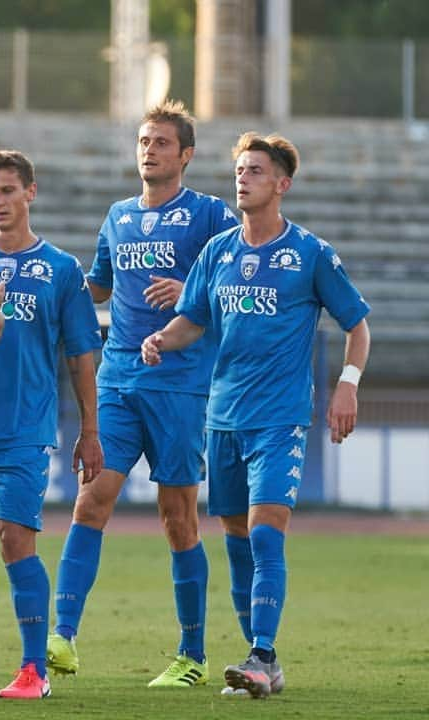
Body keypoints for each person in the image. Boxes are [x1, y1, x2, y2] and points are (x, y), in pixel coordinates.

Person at [141, 132, 370, 698]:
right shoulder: (217, 251)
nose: (243, 179)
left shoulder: (309, 254)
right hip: (222, 418)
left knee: (267, 535)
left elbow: (357, 325)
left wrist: (347, 386)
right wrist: (161, 340)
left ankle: (262, 655)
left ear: (282, 185)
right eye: (240, 170)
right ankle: (259, 663)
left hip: (279, 419)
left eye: (256, 171)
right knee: (238, 540)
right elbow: (192, 318)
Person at [47, 99, 239, 688]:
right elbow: (99, 286)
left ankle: (191, 656)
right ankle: (63, 636)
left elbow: (241, 278)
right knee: (90, 499)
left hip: (181, 384)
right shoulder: (117, 216)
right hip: (117, 380)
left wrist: (189, 288)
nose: (148, 150)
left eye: (160, 142)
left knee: (177, 516)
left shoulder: (210, 215)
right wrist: (58, 284)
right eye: (142, 140)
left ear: (185, 154)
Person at [0, 150, 103, 700]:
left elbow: (80, 356)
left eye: (7, 191)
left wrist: (90, 430)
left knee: (15, 542)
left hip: (25, 433)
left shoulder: (60, 269)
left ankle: (35, 668)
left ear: (29, 193)